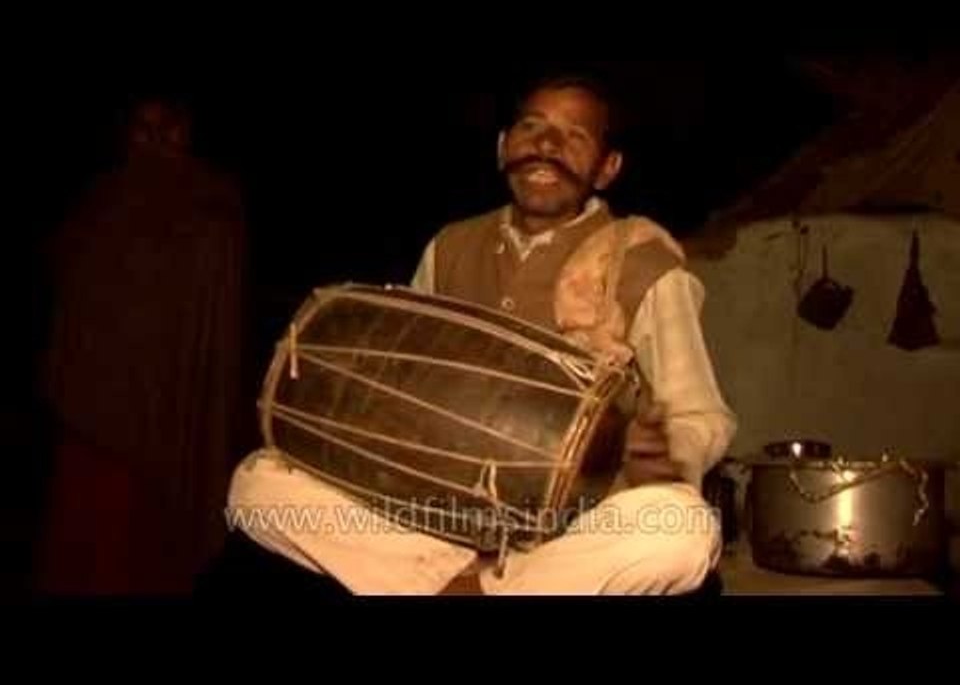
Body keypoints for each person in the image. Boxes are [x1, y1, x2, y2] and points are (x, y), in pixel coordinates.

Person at [216, 73, 736, 596]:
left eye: (575, 136)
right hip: (434, 515)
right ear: (502, 148)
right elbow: (406, 380)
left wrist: (666, 454)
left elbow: (700, 414)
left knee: (683, 529)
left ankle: (473, 588)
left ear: (607, 168)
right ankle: (464, 583)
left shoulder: (644, 264)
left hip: (571, 525)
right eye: (532, 127)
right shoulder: (451, 246)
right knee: (258, 483)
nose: (548, 145)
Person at [35, 98, 249, 594]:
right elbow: (72, 303)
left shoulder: (210, 208)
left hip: (170, 431)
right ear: (127, 131)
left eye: (167, 127)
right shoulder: (105, 199)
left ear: (186, 130)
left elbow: (212, 337)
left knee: (146, 550)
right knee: (91, 545)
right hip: (94, 426)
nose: (155, 140)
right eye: (142, 127)